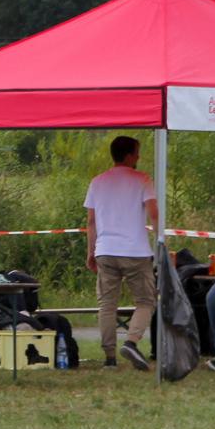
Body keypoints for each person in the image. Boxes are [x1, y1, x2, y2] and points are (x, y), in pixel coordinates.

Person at [85, 135, 158, 370]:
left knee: (107, 305)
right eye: (137, 153)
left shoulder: (97, 182)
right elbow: (154, 214)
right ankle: (132, 341)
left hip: (105, 250)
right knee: (146, 301)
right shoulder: (142, 179)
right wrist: (161, 243)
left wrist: (91, 251)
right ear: (128, 156)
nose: (139, 157)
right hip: (136, 251)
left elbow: (91, 222)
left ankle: (109, 358)